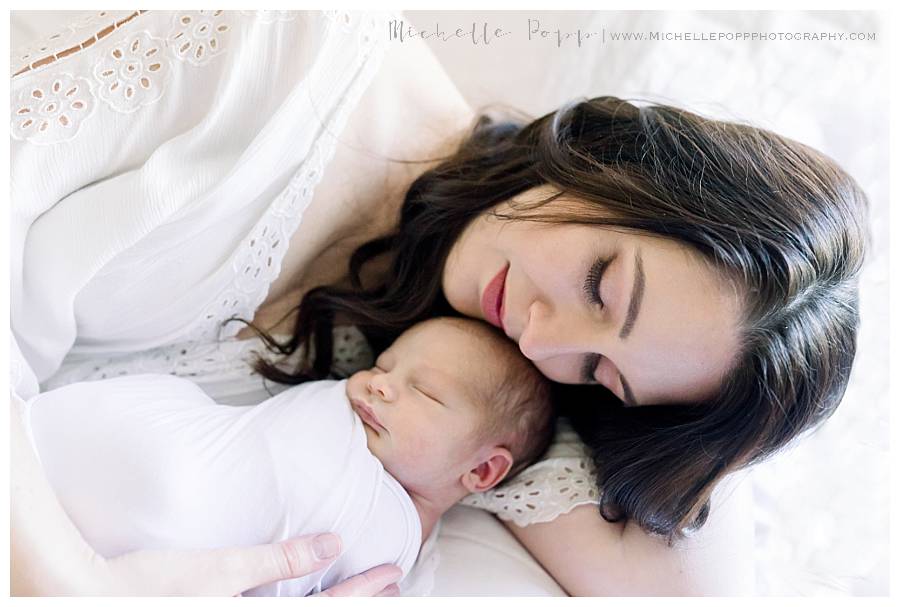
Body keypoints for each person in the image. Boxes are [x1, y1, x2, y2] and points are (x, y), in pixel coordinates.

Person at [10, 10, 868, 596]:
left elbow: (695, 590)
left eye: (601, 370)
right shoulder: (282, 47)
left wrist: (715, 415)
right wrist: (59, 577)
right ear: (618, 163)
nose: (539, 336)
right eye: (602, 280)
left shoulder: (453, 380)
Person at [23, 317, 554, 596]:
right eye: (385, 366)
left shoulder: (390, 559)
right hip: (82, 444)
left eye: (427, 393)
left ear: (483, 470)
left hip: (143, 551)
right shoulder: (343, 410)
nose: (379, 386)